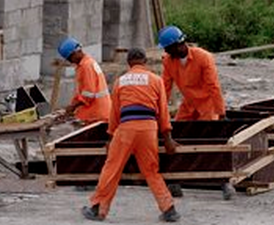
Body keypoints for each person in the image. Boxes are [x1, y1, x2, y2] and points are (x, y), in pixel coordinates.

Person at [82, 48, 181, 222]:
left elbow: (115, 114)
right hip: (149, 129)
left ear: (128, 63)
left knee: (112, 169)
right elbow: (163, 113)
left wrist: (111, 137)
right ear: (145, 62)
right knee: (151, 171)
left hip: (126, 128)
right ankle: (169, 209)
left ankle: (98, 208)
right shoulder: (156, 80)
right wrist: (168, 139)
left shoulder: (120, 82)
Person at [159, 25, 233, 200]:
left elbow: (213, 86)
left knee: (211, 140)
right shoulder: (169, 61)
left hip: (207, 104)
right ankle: (176, 179)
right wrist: (158, 112)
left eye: (168, 49)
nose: (167, 52)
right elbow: (164, 88)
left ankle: (223, 181)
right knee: (177, 135)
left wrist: (221, 113)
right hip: (189, 103)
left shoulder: (203, 57)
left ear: (178, 45)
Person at [58, 36, 111, 124]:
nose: (70, 62)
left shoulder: (86, 66)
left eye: (70, 58)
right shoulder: (87, 63)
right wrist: (72, 105)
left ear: (76, 52)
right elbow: (81, 92)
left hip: (96, 114)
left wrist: (73, 106)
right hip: (99, 111)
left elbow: (88, 94)